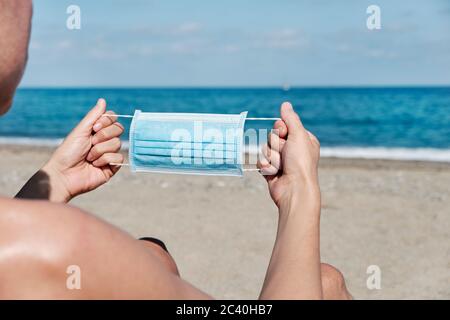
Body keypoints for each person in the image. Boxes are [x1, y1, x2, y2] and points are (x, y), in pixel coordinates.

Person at [0, 0, 351, 299]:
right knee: (326, 282)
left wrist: (55, 180)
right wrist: (300, 194)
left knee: (154, 254)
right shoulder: (59, 246)